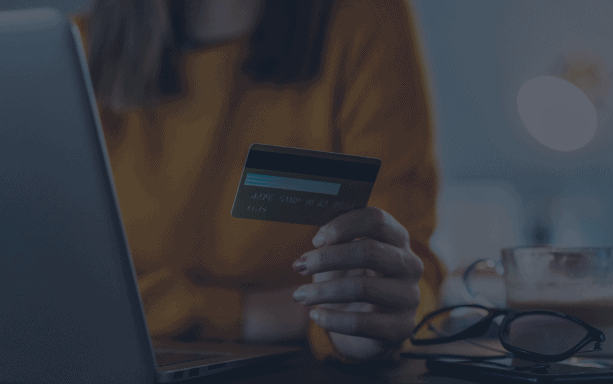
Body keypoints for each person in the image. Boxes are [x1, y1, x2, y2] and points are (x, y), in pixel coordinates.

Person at [73, 0, 446, 362]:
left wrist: (363, 326)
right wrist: (254, 314)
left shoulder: (366, 20)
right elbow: (57, 295)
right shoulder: (72, 53)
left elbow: (406, 269)